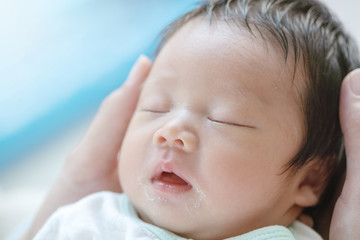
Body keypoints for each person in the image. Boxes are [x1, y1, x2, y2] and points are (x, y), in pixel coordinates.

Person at [23, 0, 360, 239]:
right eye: (156, 107)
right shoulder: (87, 222)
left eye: (226, 119)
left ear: (310, 181)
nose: (170, 132)